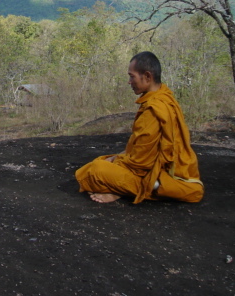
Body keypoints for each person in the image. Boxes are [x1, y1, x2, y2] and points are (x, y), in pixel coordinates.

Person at [75, 51, 204, 204]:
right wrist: (117, 158)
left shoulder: (154, 109)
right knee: (104, 161)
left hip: (156, 174)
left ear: (147, 77)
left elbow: (140, 164)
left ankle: (126, 190)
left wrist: (117, 161)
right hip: (171, 171)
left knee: (94, 170)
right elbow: (142, 149)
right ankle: (135, 186)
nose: (129, 82)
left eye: (132, 76)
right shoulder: (166, 97)